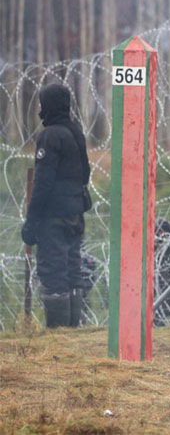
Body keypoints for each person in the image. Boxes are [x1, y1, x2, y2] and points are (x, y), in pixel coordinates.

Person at [21, 84, 91, 328]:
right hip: (74, 213)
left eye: (42, 103)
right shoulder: (75, 132)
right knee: (72, 269)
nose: (39, 108)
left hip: (54, 217)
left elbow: (43, 182)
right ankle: (73, 331)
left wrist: (32, 221)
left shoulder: (50, 136)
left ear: (48, 105)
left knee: (53, 272)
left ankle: (59, 333)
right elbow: (86, 173)